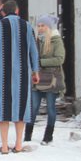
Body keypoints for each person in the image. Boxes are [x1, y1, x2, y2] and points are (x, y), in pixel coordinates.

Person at [0, 0, 40, 154]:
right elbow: (33, 50)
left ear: (3, 11)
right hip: (23, 74)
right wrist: (35, 70)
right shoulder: (27, 26)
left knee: (4, 108)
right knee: (21, 108)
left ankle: (4, 146)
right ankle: (19, 144)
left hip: (3, 74)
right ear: (17, 10)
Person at [26, 15, 65, 145]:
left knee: (51, 108)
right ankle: (27, 136)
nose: (40, 28)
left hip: (51, 79)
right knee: (33, 107)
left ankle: (48, 136)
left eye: (43, 26)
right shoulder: (36, 40)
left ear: (49, 27)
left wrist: (40, 62)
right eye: (39, 26)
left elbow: (60, 59)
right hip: (38, 79)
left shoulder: (56, 40)